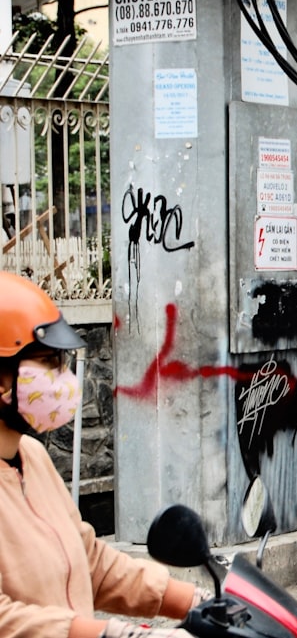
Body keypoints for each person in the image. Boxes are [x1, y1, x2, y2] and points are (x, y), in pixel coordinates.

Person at [0, 271, 207, 638]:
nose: (62, 377)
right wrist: (109, 633)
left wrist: (196, 601)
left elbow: (90, 564)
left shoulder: (32, 457)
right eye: (48, 362)